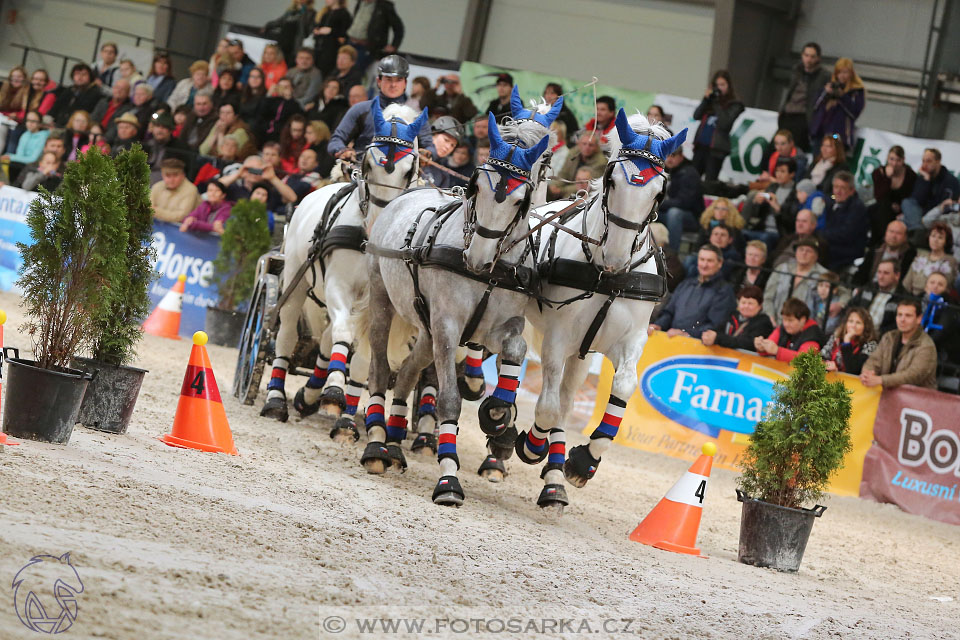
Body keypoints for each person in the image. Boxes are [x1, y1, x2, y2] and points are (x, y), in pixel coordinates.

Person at [328, 55, 433, 161]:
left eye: (398, 80)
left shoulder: (416, 116)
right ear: (379, 81)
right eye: (388, 79)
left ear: (405, 83)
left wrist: (427, 154)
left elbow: (430, 147)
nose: (393, 85)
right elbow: (336, 139)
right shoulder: (360, 110)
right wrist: (343, 150)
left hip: (402, 174)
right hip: (362, 170)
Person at [649, 244, 736, 338]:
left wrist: (686, 333)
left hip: (698, 347)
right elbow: (669, 312)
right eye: (702, 259)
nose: (704, 265)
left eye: (709, 261)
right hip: (672, 340)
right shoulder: (686, 284)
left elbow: (715, 325)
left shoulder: (724, 291)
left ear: (720, 263)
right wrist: (659, 325)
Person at [861, 299, 938, 389]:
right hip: (886, 395)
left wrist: (881, 380)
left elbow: (913, 376)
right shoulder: (889, 337)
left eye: (908, 316)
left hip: (917, 399)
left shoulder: (926, 346)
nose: (902, 319)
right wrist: (867, 373)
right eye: (899, 315)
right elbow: (874, 360)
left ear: (919, 319)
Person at [778, 42, 832, 153]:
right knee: (776, 150)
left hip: (803, 118)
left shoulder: (824, 75)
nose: (808, 59)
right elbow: (789, 92)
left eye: (812, 56)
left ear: (818, 58)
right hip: (787, 115)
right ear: (802, 55)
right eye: (806, 55)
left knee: (794, 151)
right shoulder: (796, 70)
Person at [764, 237, 831, 325]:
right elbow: (768, 297)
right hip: (775, 322)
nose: (804, 253)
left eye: (808, 251)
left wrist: (840, 304)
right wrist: (771, 318)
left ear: (816, 256)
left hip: (804, 326)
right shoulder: (782, 269)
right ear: (795, 253)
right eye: (801, 250)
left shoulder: (824, 275)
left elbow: (842, 294)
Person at [692, 70, 744, 181]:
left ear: (729, 86)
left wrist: (716, 102)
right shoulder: (710, 101)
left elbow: (725, 123)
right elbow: (696, 116)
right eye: (716, 85)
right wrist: (706, 100)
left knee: (709, 182)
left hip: (716, 150)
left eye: (722, 85)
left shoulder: (735, 104)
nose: (719, 88)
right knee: (693, 179)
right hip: (700, 147)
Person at [742, 157, 800, 248]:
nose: (778, 175)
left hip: (780, 232)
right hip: (762, 228)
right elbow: (759, 214)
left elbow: (791, 222)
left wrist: (778, 209)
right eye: (777, 171)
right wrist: (757, 203)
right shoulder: (773, 187)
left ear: (792, 174)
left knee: (765, 238)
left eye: (782, 171)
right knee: (741, 234)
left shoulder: (796, 192)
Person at [810, 58, 865, 151]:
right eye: (839, 72)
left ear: (851, 73)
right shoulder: (829, 86)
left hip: (838, 135)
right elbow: (814, 106)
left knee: (834, 157)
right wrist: (825, 93)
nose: (842, 76)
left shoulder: (856, 91)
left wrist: (842, 96)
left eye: (845, 72)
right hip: (821, 133)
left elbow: (855, 112)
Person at [901, 148, 960, 232]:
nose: (924, 165)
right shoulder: (923, 177)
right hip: (920, 215)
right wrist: (926, 181)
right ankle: (918, 230)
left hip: (938, 216)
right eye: (923, 161)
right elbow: (917, 200)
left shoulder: (951, 181)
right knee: (907, 203)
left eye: (928, 161)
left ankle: (918, 232)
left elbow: (948, 206)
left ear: (938, 161)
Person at [701, 285, 773, 352]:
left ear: (760, 306)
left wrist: (718, 338)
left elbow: (746, 343)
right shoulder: (732, 315)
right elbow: (718, 329)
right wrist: (709, 335)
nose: (746, 306)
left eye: (750, 303)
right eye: (743, 302)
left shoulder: (764, 322)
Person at [822, 171, 869, 271]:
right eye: (836, 187)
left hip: (847, 249)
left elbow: (846, 234)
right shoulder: (834, 198)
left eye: (843, 188)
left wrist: (821, 234)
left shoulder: (857, 208)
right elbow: (831, 196)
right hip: (831, 242)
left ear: (852, 191)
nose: (838, 191)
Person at [870, 146, 916, 244]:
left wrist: (900, 208)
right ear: (887, 158)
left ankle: (881, 242)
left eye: (898, 160)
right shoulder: (878, 172)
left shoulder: (910, 175)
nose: (894, 164)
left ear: (903, 160)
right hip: (882, 207)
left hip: (901, 210)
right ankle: (878, 242)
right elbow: (879, 196)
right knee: (880, 208)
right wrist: (887, 178)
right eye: (892, 159)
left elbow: (911, 197)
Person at [847, 258, 906, 335]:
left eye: (886, 273)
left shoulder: (902, 297)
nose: (881, 277)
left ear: (897, 275)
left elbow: (895, 327)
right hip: (855, 332)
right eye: (879, 272)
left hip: (879, 339)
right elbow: (851, 306)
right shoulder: (869, 287)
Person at [755, 298, 825, 362]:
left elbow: (805, 360)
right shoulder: (782, 329)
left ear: (803, 320)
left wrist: (778, 351)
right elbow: (770, 343)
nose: (786, 324)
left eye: (790, 320)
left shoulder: (812, 337)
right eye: (784, 319)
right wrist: (762, 347)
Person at [662, 148, 705, 250]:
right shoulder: (665, 170)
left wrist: (659, 204)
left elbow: (684, 203)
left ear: (681, 156)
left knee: (674, 213)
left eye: (673, 156)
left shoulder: (690, 173)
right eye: (667, 156)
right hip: (668, 211)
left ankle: (671, 254)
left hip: (693, 217)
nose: (669, 159)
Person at [548, 129, 607, 200]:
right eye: (584, 144)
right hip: (566, 188)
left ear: (596, 147)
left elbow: (587, 185)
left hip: (584, 194)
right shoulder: (573, 153)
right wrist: (555, 185)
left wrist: (561, 190)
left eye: (591, 145)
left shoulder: (601, 162)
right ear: (579, 144)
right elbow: (563, 173)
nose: (587, 147)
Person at [902, 221, 958, 296]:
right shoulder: (920, 256)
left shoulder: (951, 261)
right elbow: (907, 284)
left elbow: (947, 287)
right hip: (914, 298)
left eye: (940, 237)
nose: (935, 240)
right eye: (933, 236)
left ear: (946, 241)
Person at [854, 220, 915, 286]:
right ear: (886, 233)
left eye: (898, 233)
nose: (893, 236)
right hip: (870, 289)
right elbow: (861, 274)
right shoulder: (875, 250)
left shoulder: (910, 255)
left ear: (905, 237)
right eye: (891, 231)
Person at [821, 307, 878, 375]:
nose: (853, 326)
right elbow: (821, 357)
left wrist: (847, 343)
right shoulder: (836, 337)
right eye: (851, 321)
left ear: (865, 327)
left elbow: (853, 370)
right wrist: (827, 364)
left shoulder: (870, 344)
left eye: (858, 323)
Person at [346, 0, 404, 66]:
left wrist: (394, 45)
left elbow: (398, 28)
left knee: (355, 70)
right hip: (350, 42)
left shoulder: (384, 6)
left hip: (365, 47)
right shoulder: (360, 2)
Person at [920, 272, 960, 366]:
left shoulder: (949, 308)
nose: (935, 286)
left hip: (936, 350)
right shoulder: (914, 301)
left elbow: (939, 333)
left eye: (940, 284)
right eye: (932, 282)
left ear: (946, 290)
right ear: (926, 286)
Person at [265, 0, 317, 67]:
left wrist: (304, 10)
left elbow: (308, 30)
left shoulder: (311, 13)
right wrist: (267, 25)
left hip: (295, 47)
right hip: (282, 45)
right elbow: (279, 22)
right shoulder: (290, 12)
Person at [144, 112, 192, 183]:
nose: (160, 130)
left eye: (164, 127)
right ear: (153, 129)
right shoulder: (148, 144)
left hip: (167, 180)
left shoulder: (179, 147)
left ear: (170, 131)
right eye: (157, 126)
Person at [2, 110, 48, 183]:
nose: (30, 123)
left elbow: (33, 159)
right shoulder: (25, 135)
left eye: (33, 121)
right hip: (22, 166)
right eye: (28, 120)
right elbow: (19, 155)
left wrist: (10, 156)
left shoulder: (44, 136)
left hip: (36, 168)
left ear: (40, 123)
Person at [151, 158, 201, 223]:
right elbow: (147, 208)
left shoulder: (191, 190)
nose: (171, 180)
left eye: (175, 175)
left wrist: (155, 211)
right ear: (162, 175)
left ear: (183, 175)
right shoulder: (157, 186)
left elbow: (181, 216)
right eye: (168, 175)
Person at [256, 77, 303, 143]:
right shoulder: (272, 100)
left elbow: (294, 116)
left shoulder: (294, 104)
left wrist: (288, 99)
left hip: (281, 133)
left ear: (292, 89)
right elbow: (261, 112)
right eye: (281, 87)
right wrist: (269, 95)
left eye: (286, 87)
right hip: (266, 130)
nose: (283, 89)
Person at [313, 0, 352, 79]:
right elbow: (319, 27)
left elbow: (345, 34)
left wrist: (331, 31)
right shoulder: (325, 13)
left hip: (332, 51)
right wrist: (317, 31)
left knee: (327, 74)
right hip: (319, 49)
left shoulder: (344, 14)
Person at [91, 79, 134, 143]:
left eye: (123, 89)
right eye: (117, 87)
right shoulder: (103, 101)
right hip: (92, 135)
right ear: (113, 88)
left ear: (128, 93)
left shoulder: (129, 109)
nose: (119, 91)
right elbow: (93, 118)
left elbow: (115, 129)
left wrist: (102, 139)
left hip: (109, 141)